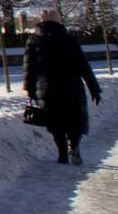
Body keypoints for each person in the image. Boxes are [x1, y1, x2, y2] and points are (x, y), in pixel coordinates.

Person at [24, 8, 102, 164]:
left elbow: (29, 67)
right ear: (59, 21)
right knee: (75, 118)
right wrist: (94, 87)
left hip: (47, 89)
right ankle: (74, 145)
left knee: (54, 121)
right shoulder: (69, 40)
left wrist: (30, 89)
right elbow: (83, 65)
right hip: (71, 86)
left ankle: (62, 153)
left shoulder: (33, 40)